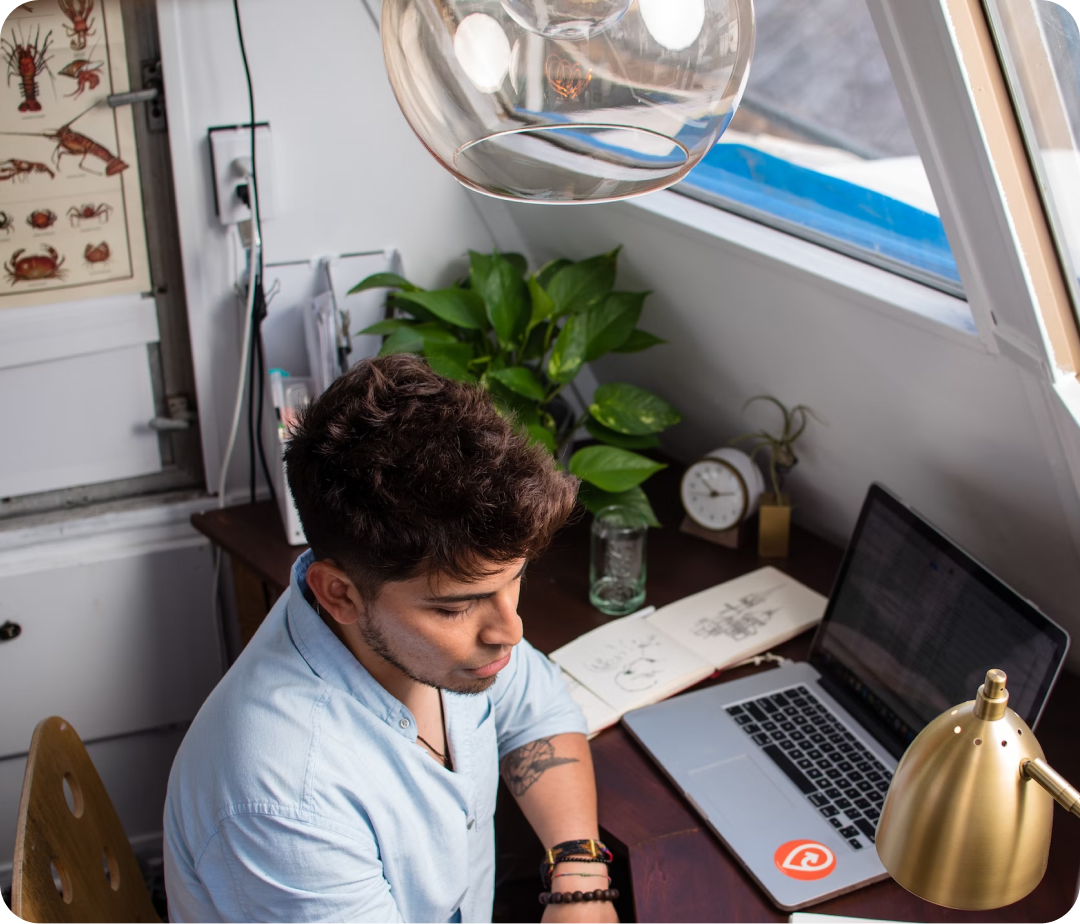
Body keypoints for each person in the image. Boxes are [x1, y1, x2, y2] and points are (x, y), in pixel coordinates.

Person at [163, 354, 618, 923]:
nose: (511, 631)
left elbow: (538, 708)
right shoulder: (288, 799)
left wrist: (579, 875)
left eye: (515, 579)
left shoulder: (437, 638)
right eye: (454, 607)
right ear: (340, 594)